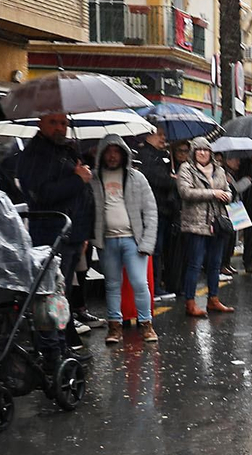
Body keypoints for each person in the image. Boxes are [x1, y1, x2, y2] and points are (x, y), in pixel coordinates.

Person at [17, 112, 94, 346]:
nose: (60, 128)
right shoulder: (35, 154)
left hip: (71, 234)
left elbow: (80, 198)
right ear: (40, 123)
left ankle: (62, 343)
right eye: (53, 123)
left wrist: (82, 234)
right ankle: (51, 347)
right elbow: (42, 194)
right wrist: (78, 179)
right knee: (50, 294)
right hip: (51, 233)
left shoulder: (66, 150)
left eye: (63, 123)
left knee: (63, 294)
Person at [90, 134, 159, 344]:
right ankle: (114, 327)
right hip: (106, 240)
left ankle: (146, 324)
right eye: (108, 152)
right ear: (102, 154)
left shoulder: (137, 178)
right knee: (112, 285)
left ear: (123, 153)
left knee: (140, 283)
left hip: (133, 240)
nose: (112, 156)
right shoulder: (93, 178)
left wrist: (147, 242)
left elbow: (150, 211)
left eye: (116, 151)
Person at [176, 136, 234, 319]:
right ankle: (190, 302)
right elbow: (185, 192)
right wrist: (213, 193)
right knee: (195, 263)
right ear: (193, 152)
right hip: (195, 224)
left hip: (217, 224)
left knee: (215, 263)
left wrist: (225, 195)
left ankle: (213, 299)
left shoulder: (219, 170)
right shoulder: (186, 168)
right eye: (199, 149)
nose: (202, 153)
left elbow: (229, 192)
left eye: (206, 149)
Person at [132, 122, 182, 293]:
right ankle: (153, 286)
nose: (163, 138)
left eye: (164, 134)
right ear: (148, 135)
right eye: (159, 134)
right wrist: (172, 180)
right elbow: (157, 179)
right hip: (155, 209)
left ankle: (160, 283)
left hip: (165, 210)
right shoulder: (146, 156)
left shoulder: (162, 155)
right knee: (155, 249)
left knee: (162, 250)